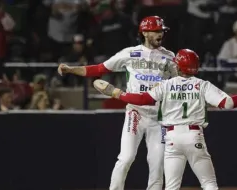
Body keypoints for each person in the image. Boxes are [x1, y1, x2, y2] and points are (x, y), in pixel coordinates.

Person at [92, 49, 237, 190]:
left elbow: (142, 100)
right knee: (209, 184)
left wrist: (118, 93)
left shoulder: (166, 85)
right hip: (193, 136)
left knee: (172, 187)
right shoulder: (201, 84)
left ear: (178, 65)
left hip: (171, 139)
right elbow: (228, 103)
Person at [57, 16, 177, 190]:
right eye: (156, 31)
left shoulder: (169, 57)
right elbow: (99, 69)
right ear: (144, 32)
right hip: (136, 112)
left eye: (161, 31)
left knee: (157, 164)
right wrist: (70, 69)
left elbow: (181, 82)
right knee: (126, 157)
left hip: (160, 116)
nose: (160, 34)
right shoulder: (130, 53)